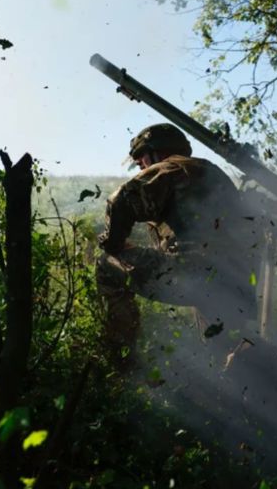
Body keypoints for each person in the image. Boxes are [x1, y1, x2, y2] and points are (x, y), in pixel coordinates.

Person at [96, 123, 261, 370]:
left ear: (156, 151)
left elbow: (121, 200)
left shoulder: (171, 166)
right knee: (228, 354)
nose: (141, 165)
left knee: (106, 264)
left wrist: (113, 243)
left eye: (141, 158)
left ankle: (121, 360)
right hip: (237, 282)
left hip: (196, 273)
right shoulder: (207, 171)